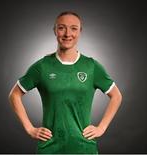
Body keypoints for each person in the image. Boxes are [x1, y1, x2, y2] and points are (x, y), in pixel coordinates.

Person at [8, 11, 122, 154]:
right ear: (55, 30)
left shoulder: (91, 66)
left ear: (80, 31)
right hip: (49, 147)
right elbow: (14, 95)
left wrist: (102, 127)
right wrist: (30, 129)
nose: (68, 34)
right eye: (62, 28)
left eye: (74, 28)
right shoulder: (42, 66)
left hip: (84, 147)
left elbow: (116, 96)